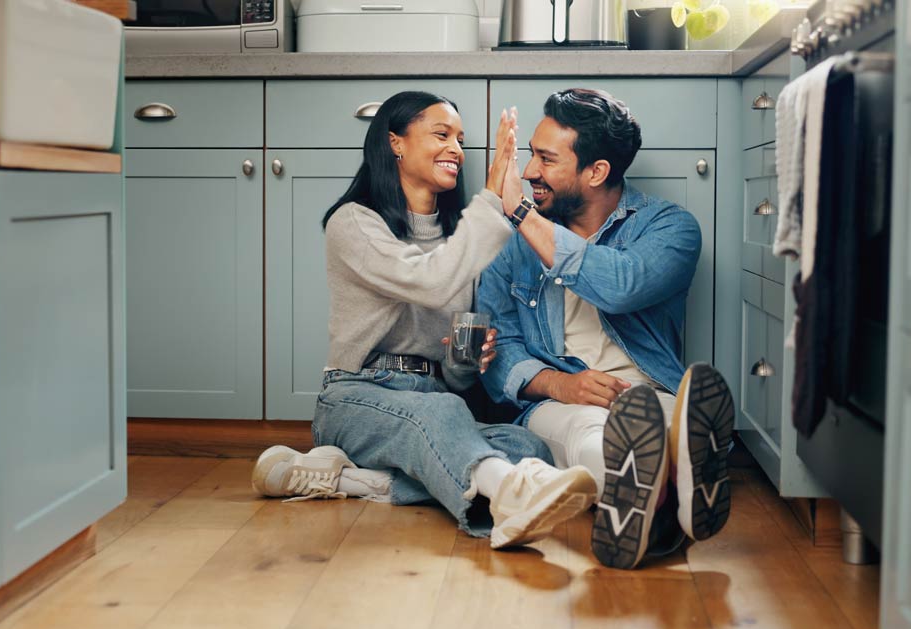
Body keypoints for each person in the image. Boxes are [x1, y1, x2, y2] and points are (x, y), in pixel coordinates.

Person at [251, 90, 597, 549]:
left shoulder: (461, 238)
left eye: (460, 139)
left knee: (529, 449)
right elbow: (430, 282)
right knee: (445, 417)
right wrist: (494, 200)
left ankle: (355, 482)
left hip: (434, 400)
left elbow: (453, 378)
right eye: (442, 134)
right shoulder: (354, 223)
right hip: (357, 397)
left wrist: (463, 360)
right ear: (396, 142)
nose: (456, 148)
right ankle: (508, 498)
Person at [477, 88, 735, 569]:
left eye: (545, 159)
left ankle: (665, 484)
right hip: (560, 402)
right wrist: (562, 384)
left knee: (664, 422)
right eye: (530, 154)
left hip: (646, 392)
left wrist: (519, 212)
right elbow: (497, 355)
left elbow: (621, 285)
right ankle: (668, 498)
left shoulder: (670, 228)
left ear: (596, 172)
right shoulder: (509, 246)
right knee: (587, 431)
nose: (529, 172)